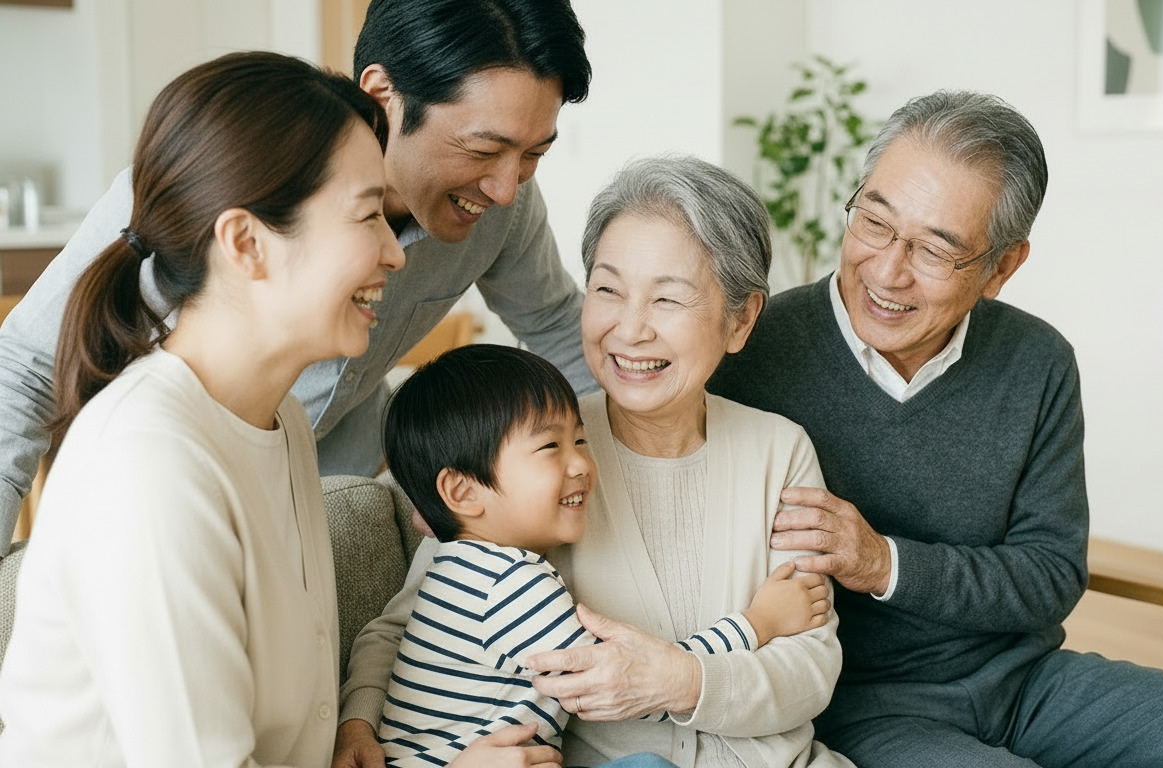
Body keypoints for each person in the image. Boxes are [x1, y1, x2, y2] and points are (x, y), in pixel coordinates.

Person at [708, 90, 1163, 767]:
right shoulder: (753, 353)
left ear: (1003, 267)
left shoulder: (1037, 361)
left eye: (936, 250)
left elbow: (1051, 572)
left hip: (1026, 682)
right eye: (874, 223)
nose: (888, 270)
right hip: (866, 703)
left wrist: (883, 562)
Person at [0, 0, 595, 554]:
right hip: (174, 501)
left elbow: (558, 327)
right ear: (383, 95)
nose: (506, 187)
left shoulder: (504, 205)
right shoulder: (216, 182)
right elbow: (22, 370)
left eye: (535, 155)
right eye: (483, 150)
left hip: (332, 507)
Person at [337, 156, 854, 768]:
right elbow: (404, 630)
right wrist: (357, 724)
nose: (630, 329)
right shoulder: (527, 455)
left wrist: (681, 681)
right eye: (607, 289)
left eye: (668, 298)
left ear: (740, 320)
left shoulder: (780, 449)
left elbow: (810, 667)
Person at [0, 51, 405, 766]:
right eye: (369, 215)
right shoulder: (149, 462)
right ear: (246, 243)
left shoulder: (278, 427)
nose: (395, 253)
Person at [376, 344, 826, 766]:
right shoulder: (510, 585)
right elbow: (633, 686)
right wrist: (760, 622)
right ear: (461, 491)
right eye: (550, 446)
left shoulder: (458, 566)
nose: (582, 465)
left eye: (580, 440)